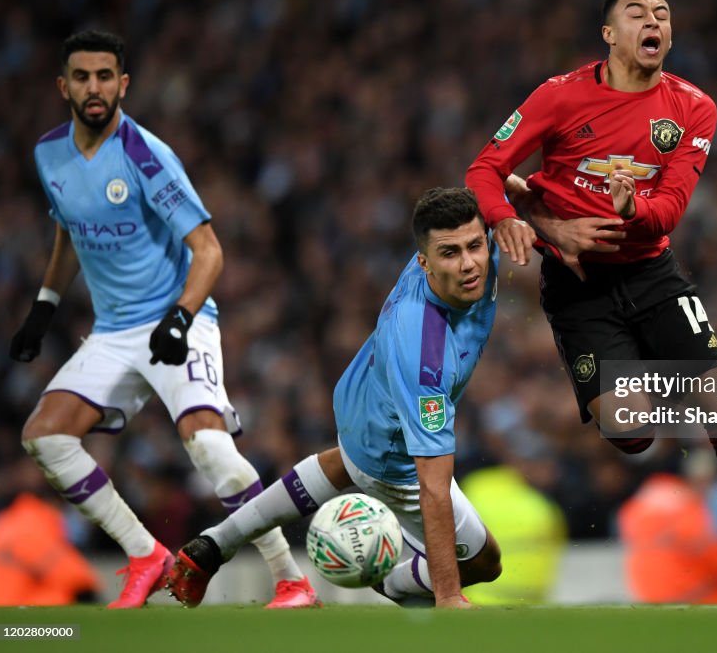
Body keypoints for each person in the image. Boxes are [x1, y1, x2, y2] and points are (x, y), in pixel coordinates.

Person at [465, 0, 717, 610]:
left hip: (653, 275)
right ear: (610, 33)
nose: (654, 21)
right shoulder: (558, 97)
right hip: (579, 290)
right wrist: (516, 219)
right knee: (630, 433)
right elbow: (484, 170)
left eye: (663, 13)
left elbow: (671, 209)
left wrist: (634, 208)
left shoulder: (693, 108)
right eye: (637, 12)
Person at [10, 30, 317, 609]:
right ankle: (146, 555)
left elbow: (209, 250)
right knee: (45, 437)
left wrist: (180, 318)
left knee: (210, 450)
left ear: (123, 84)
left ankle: (291, 578)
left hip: (176, 319)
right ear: (63, 86)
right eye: (82, 77)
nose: (94, 87)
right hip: (113, 330)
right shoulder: (48, 153)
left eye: (105, 76)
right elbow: (70, 231)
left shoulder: (147, 154)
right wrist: (44, 307)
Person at [166, 187, 504, 609]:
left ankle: (213, 545)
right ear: (424, 263)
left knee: (347, 462)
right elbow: (431, 485)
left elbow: (494, 180)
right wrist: (449, 595)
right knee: (486, 562)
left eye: (476, 246)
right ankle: (394, 585)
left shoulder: (483, 237)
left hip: (363, 395)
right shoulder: (424, 352)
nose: (470, 263)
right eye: (451, 254)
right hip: (391, 452)